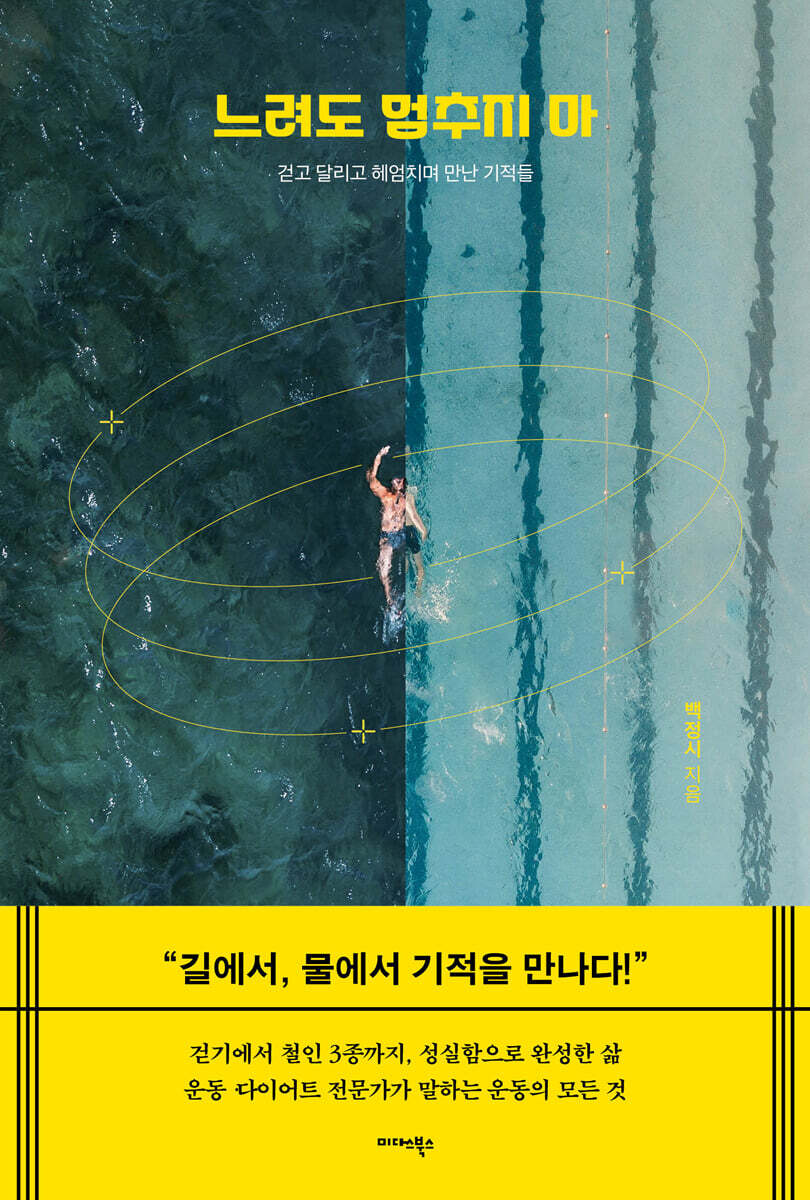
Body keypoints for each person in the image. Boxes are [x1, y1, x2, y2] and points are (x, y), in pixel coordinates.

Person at [366, 445, 427, 607]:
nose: (399, 482)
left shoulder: (406, 498)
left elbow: (413, 515)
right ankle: (389, 598)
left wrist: (423, 530)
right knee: (384, 569)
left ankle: (412, 588)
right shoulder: (385, 496)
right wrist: (379, 456)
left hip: (401, 534)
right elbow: (372, 479)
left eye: (401, 480)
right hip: (388, 536)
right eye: (397, 480)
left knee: (406, 564)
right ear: (392, 482)